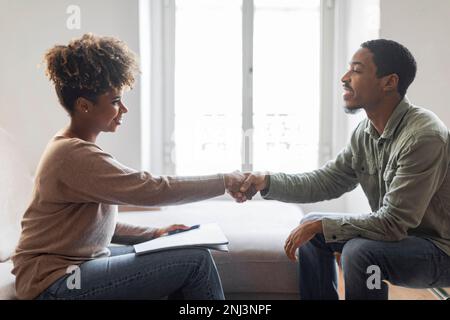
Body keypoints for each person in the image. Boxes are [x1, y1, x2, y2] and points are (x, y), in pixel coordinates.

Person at [11, 33, 245, 300]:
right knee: (196, 262)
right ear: (84, 106)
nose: (124, 109)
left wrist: (155, 233)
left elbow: (92, 226)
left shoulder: (73, 146)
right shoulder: (72, 155)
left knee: (172, 251)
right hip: (54, 283)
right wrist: (225, 181)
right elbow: (151, 189)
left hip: (71, 269)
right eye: (114, 101)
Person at [236, 39, 450, 299]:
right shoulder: (365, 133)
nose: (345, 78)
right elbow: (326, 181)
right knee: (312, 229)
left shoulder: (423, 136)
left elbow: (393, 223)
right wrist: (266, 182)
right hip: (401, 241)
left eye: (357, 70)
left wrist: (323, 225)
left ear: (389, 82)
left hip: (439, 250)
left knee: (361, 252)